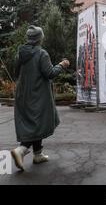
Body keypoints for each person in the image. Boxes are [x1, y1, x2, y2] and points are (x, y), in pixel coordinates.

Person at [11, 25, 69, 171]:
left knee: (34, 123)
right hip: (38, 95)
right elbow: (49, 73)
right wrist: (62, 65)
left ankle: (38, 154)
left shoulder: (20, 54)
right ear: (39, 38)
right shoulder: (41, 53)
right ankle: (22, 150)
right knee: (38, 122)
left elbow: (15, 72)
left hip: (23, 94)